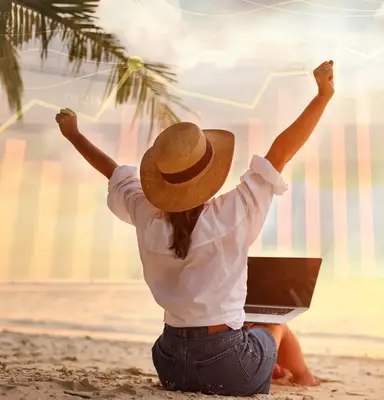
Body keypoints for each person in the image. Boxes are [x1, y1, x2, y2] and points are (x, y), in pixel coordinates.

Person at [55, 60, 335, 396]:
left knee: (249, 335)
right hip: (224, 362)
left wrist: (73, 134)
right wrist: (323, 95)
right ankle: (304, 379)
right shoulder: (236, 209)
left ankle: (268, 369)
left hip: (170, 362)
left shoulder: (145, 213)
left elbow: (113, 172)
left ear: (162, 181)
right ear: (210, 176)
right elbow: (281, 152)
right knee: (273, 325)